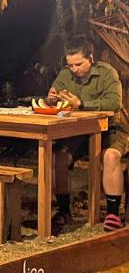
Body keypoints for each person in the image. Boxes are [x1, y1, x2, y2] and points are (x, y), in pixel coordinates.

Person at [48, 38, 128, 233]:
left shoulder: (106, 73)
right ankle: (65, 210)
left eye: (78, 64)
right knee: (59, 156)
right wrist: (51, 98)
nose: (74, 69)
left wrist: (82, 104)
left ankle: (112, 214)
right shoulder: (66, 74)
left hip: (110, 128)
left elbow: (114, 103)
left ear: (90, 58)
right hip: (78, 131)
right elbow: (53, 95)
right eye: (70, 64)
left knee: (111, 156)